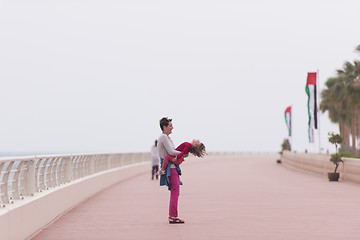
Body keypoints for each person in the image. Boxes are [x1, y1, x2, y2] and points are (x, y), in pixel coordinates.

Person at [157, 117, 184, 224]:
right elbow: (171, 151)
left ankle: (173, 216)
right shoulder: (163, 137)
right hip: (170, 167)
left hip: (172, 167)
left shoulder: (167, 138)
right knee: (175, 192)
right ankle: (173, 216)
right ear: (164, 127)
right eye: (170, 126)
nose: (172, 128)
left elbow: (173, 151)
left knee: (175, 191)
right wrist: (184, 153)